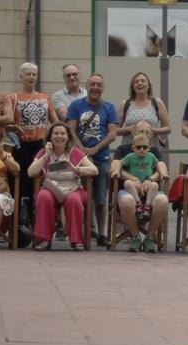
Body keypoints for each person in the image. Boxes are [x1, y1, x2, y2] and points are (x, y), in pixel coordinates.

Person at [28, 122, 98, 251]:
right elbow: (31, 172)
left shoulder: (75, 152)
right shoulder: (44, 152)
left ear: (68, 137)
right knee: (43, 197)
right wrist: (46, 156)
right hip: (51, 188)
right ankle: (44, 239)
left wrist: (76, 168)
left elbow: (94, 170)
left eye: (62, 133)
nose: (59, 136)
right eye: (56, 133)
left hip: (73, 188)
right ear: (50, 137)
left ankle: (77, 240)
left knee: (74, 200)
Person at [66, 73, 118, 246]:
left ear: (103, 88)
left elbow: (112, 134)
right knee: (80, 196)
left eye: (99, 85)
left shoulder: (109, 108)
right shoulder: (75, 105)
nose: (95, 87)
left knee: (101, 198)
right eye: (92, 84)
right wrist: (81, 150)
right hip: (79, 159)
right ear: (86, 86)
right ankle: (83, 231)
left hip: (102, 157)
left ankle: (102, 233)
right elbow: (70, 130)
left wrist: (95, 149)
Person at [109, 123, 169, 253]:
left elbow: (162, 168)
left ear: (151, 135)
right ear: (133, 133)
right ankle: (135, 236)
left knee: (163, 201)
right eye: (141, 130)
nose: (144, 133)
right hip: (129, 190)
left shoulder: (153, 151)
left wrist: (151, 179)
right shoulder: (123, 149)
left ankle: (149, 237)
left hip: (150, 190)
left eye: (147, 131)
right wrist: (131, 178)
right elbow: (115, 167)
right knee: (126, 201)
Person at [10, 62, 58, 221]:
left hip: (40, 146)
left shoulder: (45, 98)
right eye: (28, 74)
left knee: (38, 182)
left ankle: (37, 219)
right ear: (21, 76)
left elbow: (55, 122)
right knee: (20, 182)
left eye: (34, 74)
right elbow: (8, 122)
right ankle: (18, 221)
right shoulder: (13, 97)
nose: (31, 77)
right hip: (20, 146)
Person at [116, 72, 171, 150]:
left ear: (148, 85)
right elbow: (115, 130)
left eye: (143, 81)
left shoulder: (157, 103)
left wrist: (152, 131)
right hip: (129, 150)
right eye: (136, 82)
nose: (140, 83)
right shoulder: (125, 104)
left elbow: (168, 128)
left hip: (151, 149)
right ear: (133, 86)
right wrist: (129, 129)